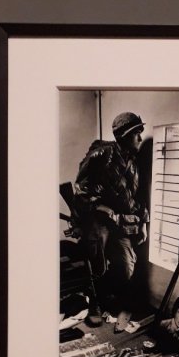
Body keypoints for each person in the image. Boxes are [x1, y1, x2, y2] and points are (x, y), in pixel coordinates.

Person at [73, 112, 149, 326]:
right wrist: (102, 208)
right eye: (137, 135)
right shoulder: (102, 154)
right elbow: (82, 189)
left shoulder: (133, 162)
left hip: (122, 222)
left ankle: (110, 298)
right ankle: (94, 302)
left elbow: (138, 197)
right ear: (125, 136)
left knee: (127, 267)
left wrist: (143, 224)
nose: (140, 139)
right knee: (97, 261)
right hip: (98, 220)